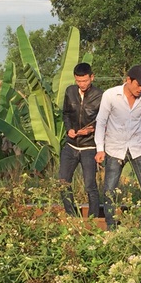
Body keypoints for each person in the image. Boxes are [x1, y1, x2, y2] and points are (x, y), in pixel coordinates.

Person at [95, 65, 141, 228]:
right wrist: (100, 148)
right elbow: (101, 122)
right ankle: (111, 226)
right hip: (114, 149)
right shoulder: (110, 95)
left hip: (137, 148)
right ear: (128, 80)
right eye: (138, 84)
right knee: (109, 189)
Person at [59, 62, 103, 217]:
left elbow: (104, 120)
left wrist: (92, 129)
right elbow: (66, 114)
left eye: (85, 80)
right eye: (78, 81)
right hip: (71, 146)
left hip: (89, 147)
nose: (82, 84)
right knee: (63, 182)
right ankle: (72, 216)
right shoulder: (70, 91)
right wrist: (69, 128)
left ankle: (93, 218)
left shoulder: (100, 95)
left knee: (90, 185)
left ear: (92, 77)